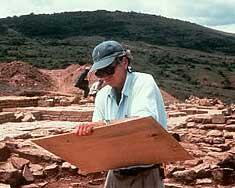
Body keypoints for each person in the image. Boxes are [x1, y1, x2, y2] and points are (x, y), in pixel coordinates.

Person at [74, 40, 167, 188]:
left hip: (145, 174)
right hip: (115, 174)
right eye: (100, 72)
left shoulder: (143, 82)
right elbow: (98, 135)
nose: (105, 77)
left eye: (108, 70)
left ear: (124, 62)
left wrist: (102, 125)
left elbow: (141, 124)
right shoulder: (102, 95)